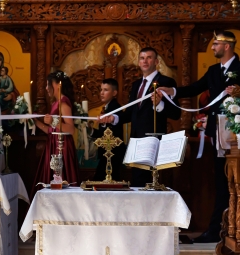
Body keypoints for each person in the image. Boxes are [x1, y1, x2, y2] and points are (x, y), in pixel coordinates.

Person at [159, 31, 240, 243]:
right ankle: (219, 229)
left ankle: (231, 229)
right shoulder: (213, 71)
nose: (212, 47)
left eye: (216, 44)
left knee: (235, 183)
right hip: (218, 135)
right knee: (221, 182)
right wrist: (172, 91)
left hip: (236, 136)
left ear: (227, 46)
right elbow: (195, 88)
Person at [103, 47, 180, 187]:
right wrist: (114, 118)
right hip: (136, 141)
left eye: (149, 58)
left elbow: (176, 113)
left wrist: (159, 105)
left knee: (153, 184)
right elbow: (131, 113)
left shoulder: (166, 82)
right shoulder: (136, 85)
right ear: (138, 62)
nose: (145, 61)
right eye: (142, 58)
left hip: (154, 140)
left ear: (156, 61)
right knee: (138, 182)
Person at [32, 71, 80, 195]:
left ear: (58, 85)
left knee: (62, 176)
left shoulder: (63, 103)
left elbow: (70, 129)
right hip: (53, 144)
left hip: (62, 146)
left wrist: (53, 121)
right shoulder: (55, 103)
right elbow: (51, 131)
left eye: (49, 84)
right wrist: (35, 121)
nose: (46, 88)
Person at [88, 78, 125, 181]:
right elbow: (103, 133)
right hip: (106, 153)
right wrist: (90, 130)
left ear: (114, 93)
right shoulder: (107, 108)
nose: (102, 93)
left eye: (106, 90)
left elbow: (112, 132)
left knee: (105, 182)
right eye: (101, 89)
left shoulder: (116, 108)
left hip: (113, 153)